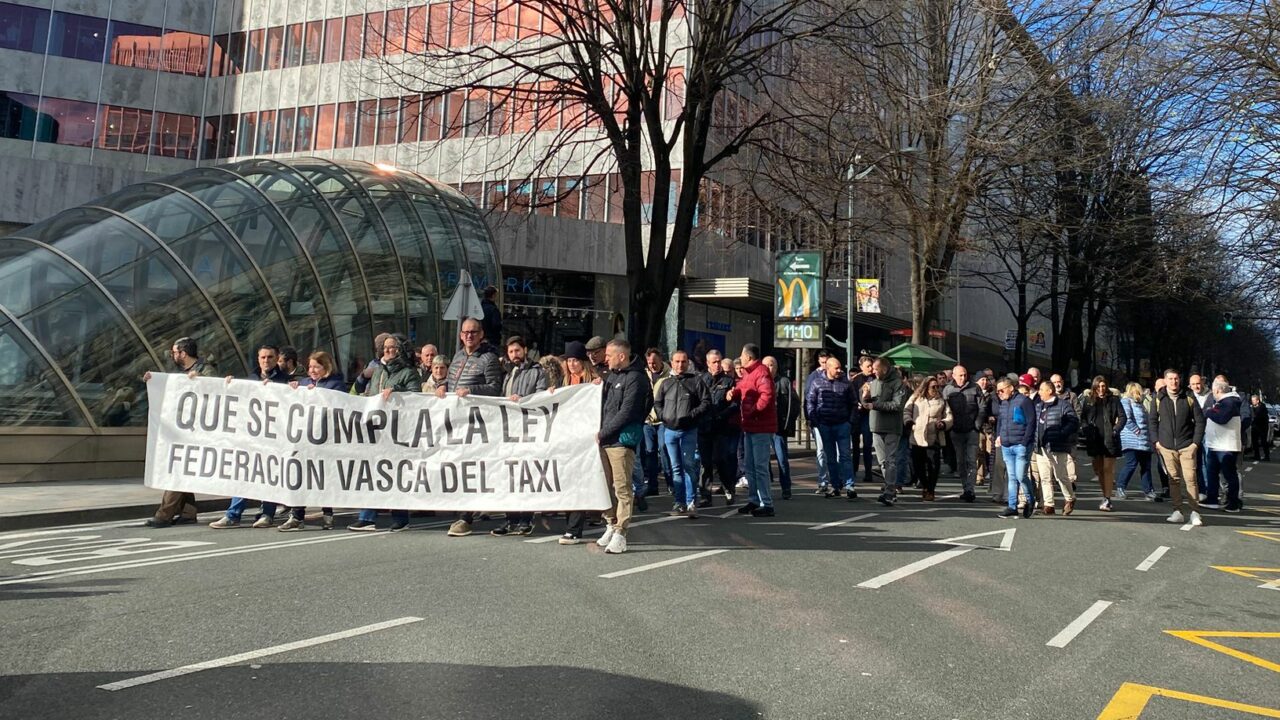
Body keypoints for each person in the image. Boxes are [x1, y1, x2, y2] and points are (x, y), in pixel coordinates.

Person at [209, 345, 292, 529]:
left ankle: (267, 514)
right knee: (244, 473)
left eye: (270, 357)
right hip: (251, 437)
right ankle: (233, 514)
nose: (266, 360)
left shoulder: (286, 381)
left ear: (276, 358)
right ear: (258, 359)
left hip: (274, 437)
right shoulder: (250, 379)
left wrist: (293, 388)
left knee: (269, 474)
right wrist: (230, 385)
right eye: (262, 357)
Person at [437, 317, 504, 537]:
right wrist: (442, 386)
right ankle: (461, 511)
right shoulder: (457, 357)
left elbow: (495, 388)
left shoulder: (489, 358)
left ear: (481, 334)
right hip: (457, 420)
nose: (469, 336)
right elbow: (452, 383)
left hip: (477, 423)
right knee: (457, 466)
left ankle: (465, 517)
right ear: (460, 335)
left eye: (473, 332)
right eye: (465, 332)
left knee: (472, 469)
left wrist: (471, 390)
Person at [347, 334, 420, 532]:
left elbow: (416, 398)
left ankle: (400, 517)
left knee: (394, 474)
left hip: (397, 431)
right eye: (385, 347)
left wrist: (395, 390)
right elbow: (370, 394)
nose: (387, 350)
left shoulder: (409, 372)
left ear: (401, 350)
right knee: (372, 472)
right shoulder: (378, 371)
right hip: (376, 429)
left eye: (392, 347)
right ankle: (367, 517)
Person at [144, 336, 219, 528]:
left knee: (176, 471)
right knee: (183, 469)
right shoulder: (181, 372)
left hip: (197, 431)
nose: (173, 356)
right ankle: (188, 513)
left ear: (183, 353)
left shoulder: (206, 370)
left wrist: (199, 381)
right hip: (182, 430)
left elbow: (215, 391)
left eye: (174, 352)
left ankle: (164, 515)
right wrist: (152, 381)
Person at [586, 339, 649, 554]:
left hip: (620, 441)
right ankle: (611, 524)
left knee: (621, 488)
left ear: (621, 356)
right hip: (605, 441)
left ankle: (621, 532)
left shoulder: (637, 379)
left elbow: (627, 412)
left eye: (610, 355)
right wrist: (597, 387)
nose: (606, 359)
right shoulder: (612, 376)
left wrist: (603, 433)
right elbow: (604, 405)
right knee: (605, 486)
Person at [278, 351, 345, 531]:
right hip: (304, 439)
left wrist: (319, 394)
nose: (312, 370)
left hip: (325, 440)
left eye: (317, 366)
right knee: (299, 476)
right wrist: (292, 388)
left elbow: (341, 407)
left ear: (326, 367)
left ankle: (328, 513)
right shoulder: (304, 383)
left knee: (322, 476)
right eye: (310, 367)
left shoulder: (335, 384)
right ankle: (297, 515)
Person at [492, 335, 549, 536]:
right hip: (509, 431)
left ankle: (526, 518)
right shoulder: (508, 373)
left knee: (526, 475)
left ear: (524, 350)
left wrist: (523, 400)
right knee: (509, 476)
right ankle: (510, 519)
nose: (514, 355)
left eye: (517, 350)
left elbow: (542, 398)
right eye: (510, 352)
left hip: (528, 431)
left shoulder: (538, 372)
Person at [655, 350, 711, 518]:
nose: (680, 365)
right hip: (669, 431)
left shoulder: (696, 381)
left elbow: (706, 402)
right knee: (675, 468)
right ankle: (679, 502)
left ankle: (691, 502)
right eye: (677, 361)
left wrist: (691, 416)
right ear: (671, 363)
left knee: (689, 467)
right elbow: (657, 403)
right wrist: (663, 416)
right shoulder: (665, 383)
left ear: (688, 363)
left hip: (689, 431)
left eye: (684, 361)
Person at [1149, 369, 1205, 526]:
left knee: (1191, 479)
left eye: (1176, 379)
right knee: (1173, 480)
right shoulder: (1158, 398)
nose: (1174, 382)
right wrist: (1156, 442)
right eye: (1171, 379)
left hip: (1187, 445)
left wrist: (1195, 443)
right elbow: (1152, 421)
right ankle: (1177, 511)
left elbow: (1200, 421)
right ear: (1165, 381)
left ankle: (1195, 512)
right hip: (1166, 446)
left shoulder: (1189, 397)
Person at [727, 343, 777, 517]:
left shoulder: (761, 372)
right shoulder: (749, 373)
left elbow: (767, 395)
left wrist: (753, 410)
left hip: (760, 426)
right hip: (749, 425)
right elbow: (743, 387)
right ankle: (754, 500)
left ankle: (766, 503)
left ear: (748, 357)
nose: (740, 358)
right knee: (750, 466)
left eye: (741, 355)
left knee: (760, 466)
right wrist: (734, 393)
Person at [805, 355, 856, 501]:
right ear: (828, 368)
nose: (840, 370)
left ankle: (849, 485)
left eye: (840, 367)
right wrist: (815, 421)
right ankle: (835, 486)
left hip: (842, 424)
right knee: (831, 458)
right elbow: (811, 403)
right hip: (825, 425)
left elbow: (853, 403)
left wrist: (850, 422)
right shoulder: (817, 383)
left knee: (845, 456)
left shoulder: (846, 383)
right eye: (837, 368)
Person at [861, 357, 908, 507]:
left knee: (891, 460)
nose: (873, 371)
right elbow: (866, 404)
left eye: (875, 369)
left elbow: (897, 405)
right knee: (882, 462)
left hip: (892, 427)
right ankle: (890, 488)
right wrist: (865, 396)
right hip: (876, 426)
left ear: (885, 369)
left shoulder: (898, 383)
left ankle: (889, 492)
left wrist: (875, 405)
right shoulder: (873, 383)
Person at [1032, 380, 1078, 515]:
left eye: (1041, 389)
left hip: (1057, 446)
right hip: (1041, 446)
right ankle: (1048, 504)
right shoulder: (1039, 406)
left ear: (1049, 391)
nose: (1039, 392)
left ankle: (1070, 498)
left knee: (1061, 476)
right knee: (1045, 477)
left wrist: (1062, 433)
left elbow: (1073, 422)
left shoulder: (1063, 405)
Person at [699, 352, 739, 506]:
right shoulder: (701, 380)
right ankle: (705, 495)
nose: (717, 365)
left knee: (720, 460)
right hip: (704, 427)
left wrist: (722, 415)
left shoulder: (728, 381)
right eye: (714, 362)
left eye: (719, 361)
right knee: (705, 462)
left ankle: (728, 488)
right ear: (707, 363)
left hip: (721, 428)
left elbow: (735, 404)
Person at [994, 376, 1037, 519]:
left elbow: (1031, 422)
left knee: (1020, 476)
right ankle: (1012, 506)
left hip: (1020, 444)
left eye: (1001, 390)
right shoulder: (1004, 403)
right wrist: (999, 436)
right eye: (997, 391)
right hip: (1007, 444)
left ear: (1011, 388)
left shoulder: (1024, 401)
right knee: (1011, 477)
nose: (999, 393)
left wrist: (1025, 442)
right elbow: (1001, 421)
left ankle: (1030, 500)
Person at [943, 364, 986, 503]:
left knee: (971, 460)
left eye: (965, 374)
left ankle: (970, 490)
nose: (963, 377)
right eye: (960, 375)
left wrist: (977, 425)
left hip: (971, 430)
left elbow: (982, 407)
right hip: (955, 431)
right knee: (960, 462)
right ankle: (965, 486)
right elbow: (944, 409)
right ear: (953, 376)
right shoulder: (948, 390)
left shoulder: (975, 387)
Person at [905, 375, 952, 501]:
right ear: (926, 386)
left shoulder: (941, 399)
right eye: (933, 386)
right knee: (918, 465)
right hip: (917, 435)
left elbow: (949, 416)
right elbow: (907, 411)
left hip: (934, 437)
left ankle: (931, 489)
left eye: (937, 386)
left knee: (934, 465)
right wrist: (909, 422)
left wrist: (943, 423)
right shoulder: (916, 398)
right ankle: (924, 485)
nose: (935, 388)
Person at [1079, 375, 1122, 512]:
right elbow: (1083, 418)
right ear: (1094, 387)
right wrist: (1087, 431)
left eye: (1103, 386)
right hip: (1094, 439)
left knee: (1107, 469)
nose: (1101, 389)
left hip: (1110, 438)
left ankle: (1108, 498)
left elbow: (1123, 417)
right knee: (1098, 469)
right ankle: (1105, 495)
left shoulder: (1114, 400)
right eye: (1098, 386)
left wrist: (1115, 430)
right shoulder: (1089, 400)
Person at [636, 348, 672, 508]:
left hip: (663, 420)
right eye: (649, 363)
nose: (652, 366)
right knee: (649, 453)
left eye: (655, 362)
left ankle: (671, 483)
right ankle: (652, 485)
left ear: (661, 360)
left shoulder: (669, 374)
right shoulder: (644, 374)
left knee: (664, 450)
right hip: (648, 420)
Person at [1203, 378, 1244, 513]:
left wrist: (1209, 412)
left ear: (1217, 390)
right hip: (1216, 444)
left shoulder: (1230, 402)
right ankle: (1212, 499)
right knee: (1212, 473)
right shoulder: (1224, 402)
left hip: (1226, 445)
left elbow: (1222, 418)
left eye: (1213, 390)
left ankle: (1233, 503)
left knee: (1229, 474)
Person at [764, 356, 800, 500]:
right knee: (762, 460)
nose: (768, 368)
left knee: (782, 459)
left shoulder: (784, 382)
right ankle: (766, 487)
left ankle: (786, 487)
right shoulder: (759, 381)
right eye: (765, 365)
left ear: (776, 367)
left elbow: (794, 404)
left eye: (771, 365)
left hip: (778, 428)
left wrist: (788, 425)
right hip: (763, 427)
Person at [1116, 382, 1157, 501]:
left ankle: (1149, 491)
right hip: (1131, 440)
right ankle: (1120, 487)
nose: (1141, 393)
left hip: (1144, 441)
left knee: (1146, 467)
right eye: (1138, 391)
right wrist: (1136, 430)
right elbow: (1126, 419)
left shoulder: (1142, 404)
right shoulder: (1126, 401)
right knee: (1131, 464)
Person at [805, 350, 833, 494]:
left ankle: (836, 480)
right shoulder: (813, 377)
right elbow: (808, 399)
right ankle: (823, 481)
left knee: (837, 452)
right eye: (822, 363)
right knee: (821, 451)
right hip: (819, 420)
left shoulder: (837, 376)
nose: (824, 366)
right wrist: (810, 419)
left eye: (826, 363)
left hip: (835, 419)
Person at [1049, 373, 1080, 491]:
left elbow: (1078, 414)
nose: (1057, 384)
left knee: (1070, 459)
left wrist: (1071, 428)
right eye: (1055, 382)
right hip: (1053, 434)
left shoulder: (1071, 396)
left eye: (1059, 381)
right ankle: (1057, 481)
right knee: (1054, 460)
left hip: (1069, 435)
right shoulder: (1048, 396)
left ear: (1062, 382)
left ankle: (1070, 481)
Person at [849, 356, 876, 487]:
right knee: (855, 445)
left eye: (871, 366)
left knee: (867, 444)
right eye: (867, 366)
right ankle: (853, 470)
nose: (870, 369)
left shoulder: (876, 379)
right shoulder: (855, 380)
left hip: (869, 415)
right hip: (857, 415)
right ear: (861, 367)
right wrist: (856, 404)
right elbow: (851, 395)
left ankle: (868, 472)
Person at [1250, 394, 1271, 461]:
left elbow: (1259, 417)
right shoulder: (1253, 407)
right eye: (1252, 400)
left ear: (1257, 401)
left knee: (1263, 441)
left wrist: (1254, 419)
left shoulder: (1262, 407)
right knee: (1254, 442)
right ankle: (1257, 455)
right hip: (1255, 427)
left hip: (1262, 427)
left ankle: (1267, 456)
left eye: (1253, 400)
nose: (1252, 402)